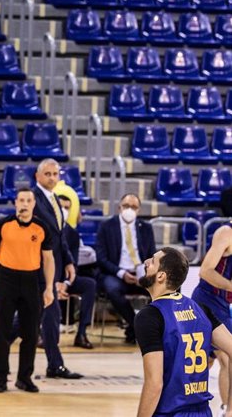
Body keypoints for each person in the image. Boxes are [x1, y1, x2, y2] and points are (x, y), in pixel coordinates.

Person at [0, 188, 54, 393]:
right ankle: (0, 378)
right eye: (21, 200)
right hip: (6, 279)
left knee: (31, 333)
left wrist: (49, 288)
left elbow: (48, 259)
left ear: (34, 204)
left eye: (29, 200)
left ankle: (24, 377)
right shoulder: (3, 225)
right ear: (15, 203)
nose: (25, 204)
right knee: (2, 331)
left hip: (31, 281)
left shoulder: (41, 227)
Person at [135, 247, 232, 417]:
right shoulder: (201, 309)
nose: (146, 262)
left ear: (161, 276)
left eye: (152, 261)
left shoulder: (150, 315)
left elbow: (155, 384)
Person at [31, 158, 83, 379]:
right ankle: (55, 364)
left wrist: (70, 261)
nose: (52, 177)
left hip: (55, 263)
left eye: (55, 174)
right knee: (47, 313)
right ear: (38, 176)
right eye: (48, 174)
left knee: (39, 312)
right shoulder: (34, 198)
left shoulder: (55, 200)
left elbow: (60, 235)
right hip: (38, 264)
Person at [95, 193, 156, 344]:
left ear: (139, 210)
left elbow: (151, 256)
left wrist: (144, 274)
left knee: (165, 288)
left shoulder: (146, 228)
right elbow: (101, 258)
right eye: (126, 206)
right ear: (119, 208)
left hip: (141, 274)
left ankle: (154, 327)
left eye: (134, 207)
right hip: (116, 273)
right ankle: (137, 326)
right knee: (112, 289)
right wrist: (122, 273)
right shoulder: (106, 226)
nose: (130, 210)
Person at [192, 221, 232, 416]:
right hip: (207, 301)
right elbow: (205, 271)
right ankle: (229, 410)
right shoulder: (226, 233)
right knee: (227, 356)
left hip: (223, 304)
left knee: (205, 361)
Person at [57, 195, 97, 349]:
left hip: (65, 280)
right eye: (61, 207)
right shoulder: (44, 229)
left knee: (90, 284)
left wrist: (65, 283)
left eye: (67, 208)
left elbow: (72, 263)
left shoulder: (72, 234)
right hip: (45, 279)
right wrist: (53, 283)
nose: (64, 211)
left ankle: (81, 333)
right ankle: (42, 333)